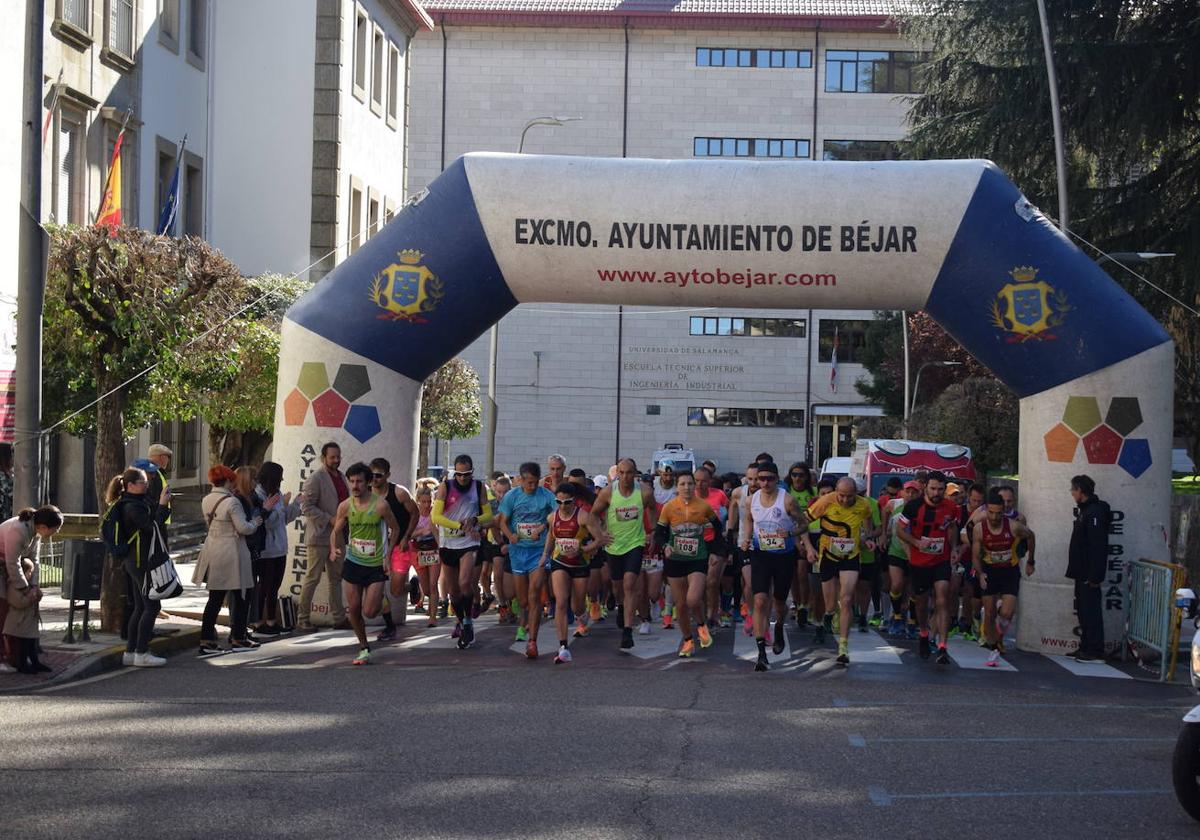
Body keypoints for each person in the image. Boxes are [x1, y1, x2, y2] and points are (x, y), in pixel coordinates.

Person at [330, 463, 402, 665]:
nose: (355, 485)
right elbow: (335, 530)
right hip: (353, 562)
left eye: (359, 481)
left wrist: (388, 554)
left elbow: (395, 529)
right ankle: (363, 647)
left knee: (369, 612)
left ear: (368, 482)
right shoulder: (345, 506)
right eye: (351, 481)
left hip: (375, 564)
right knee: (353, 609)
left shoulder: (380, 505)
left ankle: (382, 600)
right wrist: (333, 548)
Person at [739, 461, 807, 672]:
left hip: (783, 557)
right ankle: (761, 653)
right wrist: (747, 538)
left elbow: (804, 524)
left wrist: (790, 534)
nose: (765, 482)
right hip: (760, 555)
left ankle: (778, 626)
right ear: (757, 480)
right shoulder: (751, 500)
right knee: (759, 600)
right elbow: (749, 519)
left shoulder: (787, 501)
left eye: (769, 478)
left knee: (779, 603)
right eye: (761, 478)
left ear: (777, 479)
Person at [194, 465, 266, 655]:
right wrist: (256, 523)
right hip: (232, 551)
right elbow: (244, 528)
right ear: (227, 481)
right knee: (241, 595)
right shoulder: (232, 502)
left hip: (213, 549)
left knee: (214, 599)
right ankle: (238, 637)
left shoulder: (207, 499)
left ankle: (206, 639)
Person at [805, 477, 877, 667]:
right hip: (828, 556)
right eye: (842, 496)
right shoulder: (826, 501)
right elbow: (802, 522)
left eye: (850, 496)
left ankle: (843, 647)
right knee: (830, 605)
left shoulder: (863, 505)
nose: (845, 500)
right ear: (836, 492)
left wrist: (867, 536)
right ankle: (828, 615)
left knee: (846, 599)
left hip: (851, 556)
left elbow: (868, 519)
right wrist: (809, 548)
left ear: (856, 494)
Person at [588, 458, 657, 651]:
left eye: (629, 473)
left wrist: (651, 532)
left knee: (630, 585)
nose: (626, 477)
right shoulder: (609, 492)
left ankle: (627, 631)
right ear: (617, 473)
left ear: (635, 474)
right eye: (622, 473)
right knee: (618, 588)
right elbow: (592, 515)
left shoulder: (644, 492)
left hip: (635, 544)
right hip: (613, 546)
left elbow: (653, 510)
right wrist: (600, 536)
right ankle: (620, 606)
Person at [106, 469, 171, 667]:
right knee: (152, 605)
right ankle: (141, 652)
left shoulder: (130, 503)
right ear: (131, 485)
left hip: (133, 560)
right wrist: (162, 506)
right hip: (140, 560)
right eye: (143, 481)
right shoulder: (132, 507)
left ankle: (131, 651)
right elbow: (153, 528)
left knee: (141, 606)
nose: (147, 484)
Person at [896, 470, 960, 665]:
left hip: (941, 560)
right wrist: (915, 542)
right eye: (933, 488)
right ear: (926, 488)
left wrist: (955, 547)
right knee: (921, 603)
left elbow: (952, 528)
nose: (936, 493)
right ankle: (924, 633)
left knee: (942, 599)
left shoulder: (951, 507)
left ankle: (942, 647)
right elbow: (899, 530)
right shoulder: (913, 506)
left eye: (941, 489)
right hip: (919, 562)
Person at [432, 454, 495, 649]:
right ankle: (462, 620)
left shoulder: (478, 487)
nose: (462, 478)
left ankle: (468, 621)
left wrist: (475, 520)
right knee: (454, 592)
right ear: (454, 473)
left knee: (465, 582)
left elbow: (488, 515)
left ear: (472, 472)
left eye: (466, 474)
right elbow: (436, 516)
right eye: (459, 474)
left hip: (469, 543)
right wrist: (459, 525)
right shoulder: (446, 487)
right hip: (448, 543)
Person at [656, 472, 721, 657]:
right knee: (681, 605)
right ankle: (687, 640)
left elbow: (718, 529)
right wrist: (665, 545)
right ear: (677, 487)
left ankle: (701, 625)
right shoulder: (669, 507)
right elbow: (659, 533)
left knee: (693, 599)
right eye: (683, 484)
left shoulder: (704, 507)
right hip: (675, 560)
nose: (687, 487)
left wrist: (714, 551)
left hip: (697, 559)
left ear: (694, 486)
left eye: (690, 484)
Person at [972, 488, 1036, 666]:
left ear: (1003, 512)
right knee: (991, 612)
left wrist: (1031, 561)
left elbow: (1031, 536)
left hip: (1009, 570)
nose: (994, 517)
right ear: (987, 511)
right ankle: (993, 649)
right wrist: (980, 573)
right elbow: (975, 556)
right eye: (991, 513)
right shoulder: (979, 528)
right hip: (989, 570)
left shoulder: (1014, 526)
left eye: (998, 513)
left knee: (1007, 613)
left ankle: (996, 637)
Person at [497, 462, 556, 657]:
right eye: (528, 483)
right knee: (523, 600)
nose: (532, 486)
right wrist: (510, 535)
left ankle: (533, 642)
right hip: (518, 552)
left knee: (534, 594)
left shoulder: (546, 495)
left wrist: (544, 527)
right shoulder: (511, 496)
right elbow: (502, 521)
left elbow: (557, 516)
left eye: (534, 483)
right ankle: (525, 622)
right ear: (521, 480)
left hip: (539, 552)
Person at [1, 506, 63, 673]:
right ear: (43, 526)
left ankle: (29, 657)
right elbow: (12, 562)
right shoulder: (19, 530)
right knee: (2, 608)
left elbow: (34, 560)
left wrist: (35, 586)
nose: (55, 533)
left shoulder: (35, 532)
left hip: (11, 565)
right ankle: (4, 657)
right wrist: (25, 588)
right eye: (55, 529)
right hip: (4, 563)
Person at [541, 482, 597, 663]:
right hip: (560, 562)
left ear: (575, 501)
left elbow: (600, 539)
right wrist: (545, 555)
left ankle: (582, 616)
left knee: (577, 604)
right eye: (559, 502)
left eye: (567, 502)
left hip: (580, 564)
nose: (563, 506)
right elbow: (551, 536)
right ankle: (563, 646)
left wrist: (583, 550)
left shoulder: (583, 517)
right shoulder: (552, 517)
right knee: (561, 602)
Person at [298, 442, 350, 632]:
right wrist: (330, 519)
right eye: (332, 457)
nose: (336, 460)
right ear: (323, 458)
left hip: (338, 537)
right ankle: (303, 619)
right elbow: (306, 507)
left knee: (336, 578)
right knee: (312, 578)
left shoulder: (343, 477)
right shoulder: (315, 478)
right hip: (319, 537)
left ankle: (339, 618)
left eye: (338, 456)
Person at [370, 458, 418, 641]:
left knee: (396, 591)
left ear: (387, 476)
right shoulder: (366, 494)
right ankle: (389, 626)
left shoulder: (399, 492)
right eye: (371, 475)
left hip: (399, 545)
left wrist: (407, 536)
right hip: (376, 548)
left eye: (379, 475)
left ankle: (411, 585)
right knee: (378, 588)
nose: (374, 479)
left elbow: (415, 513)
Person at [253, 462, 301, 637]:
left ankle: (272, 621)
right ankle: (258, 623)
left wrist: (294, 505)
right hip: (266, 550)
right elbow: (269, 522)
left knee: (274, 586)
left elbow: (284, 519)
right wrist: (280, 507)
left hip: (280, 548)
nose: (282, 479)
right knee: (264, 587)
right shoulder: (258, 496)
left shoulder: (277, 494)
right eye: (280, 475)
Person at [1066, 474, 1110, 662]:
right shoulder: (1085, 511)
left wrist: (1095, 575)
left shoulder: (1094, 513)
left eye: (1073, 490)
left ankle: (1094, 649)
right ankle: (1085, 646)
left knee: (1091, 611)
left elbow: (1098, 546)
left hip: (1089, 573)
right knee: (1083, 611)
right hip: (1081, 571)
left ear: (1080, 491)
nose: (1072, 493)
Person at [880, 480, 920, 638]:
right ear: (902, 492)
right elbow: (885, 511)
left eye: (914, 492)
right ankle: (896, 617)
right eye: (907, 491)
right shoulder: (893, 503)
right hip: (896, 551)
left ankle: (911, 620)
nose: (910, 495)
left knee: (913, 589)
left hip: (916, 553)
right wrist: (883, 533)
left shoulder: (922, 507)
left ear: (919, 493)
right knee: (896, 584)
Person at [695, 467, 729, 629]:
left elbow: (730, 513)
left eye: (704, 481)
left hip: (716, 542)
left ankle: (712, 615)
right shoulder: (688, 496)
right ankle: (702, 613)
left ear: (710, 481)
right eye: (697, 481)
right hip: (697, 543)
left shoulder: (719, 495)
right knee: (699, 583)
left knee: (712, 581)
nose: (700, 484)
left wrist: (728, 531)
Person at [785, 462, 817, 628]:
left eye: (801, 475)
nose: (797, 478)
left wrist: (804, 542)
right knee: (792, 576)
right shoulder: (785, 493)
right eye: (794, 474)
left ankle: (805, 605)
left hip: (809, 535)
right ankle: (797, 604)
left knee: (803, 573)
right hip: (789, 537)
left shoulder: (814, 493)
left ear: (807, 477)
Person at [409, 488, 441, 628]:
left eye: (429, 501)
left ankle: (433, 616)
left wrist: (442, 549)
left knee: (433, 585)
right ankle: (421, 592)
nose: (427, 505)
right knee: (427, 589)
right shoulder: (413, 514)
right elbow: (408, 534)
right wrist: (421, 531)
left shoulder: (435, 512)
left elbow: (438, 533)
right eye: (423, 502)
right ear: (418, 501)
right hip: (418, 551)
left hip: (434, 550)